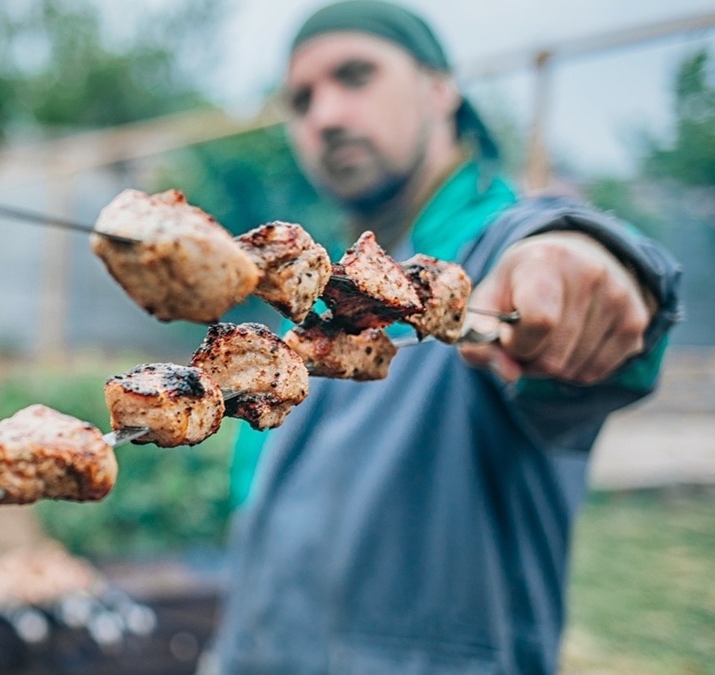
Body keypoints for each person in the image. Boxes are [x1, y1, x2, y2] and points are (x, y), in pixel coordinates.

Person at [210, 2, 683, 673]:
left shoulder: (493, 257)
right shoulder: (324, 297)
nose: (326, 115)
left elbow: (565, 255)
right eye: (301, 99)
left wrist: (592, 265)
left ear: (442, 89)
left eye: (356, 75)